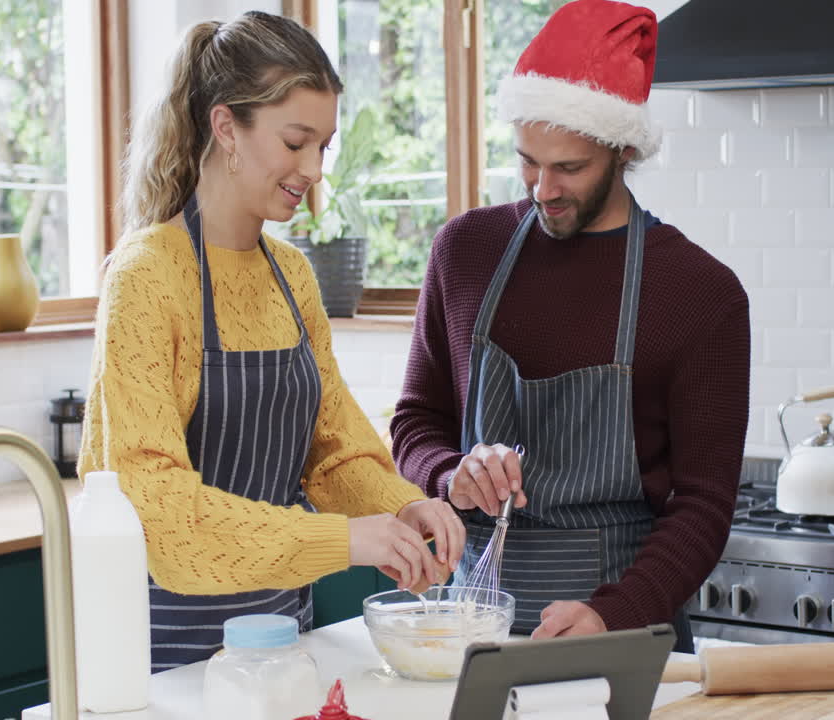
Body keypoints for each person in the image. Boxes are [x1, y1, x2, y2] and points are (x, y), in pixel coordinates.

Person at [79, 10, 464, 671]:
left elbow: (336, 454)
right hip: (163, 655)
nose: (313, 168)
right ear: (226, 126)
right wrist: (345, 540)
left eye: (325, 145)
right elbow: (165, 519)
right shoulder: (148, 276)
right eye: (295, 142)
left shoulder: (292, 276)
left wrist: (406, 509)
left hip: (282, 645)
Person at [390, 0, 749, 651]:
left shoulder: (701, 294)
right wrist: (453, 472)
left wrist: (615, 612)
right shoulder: (464, 253)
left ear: (623, 148)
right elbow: (415, 420)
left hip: (624, 638)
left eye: (570, 168)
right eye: (528, 160)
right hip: (472, 631)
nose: (542, 188)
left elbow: (704, 506)